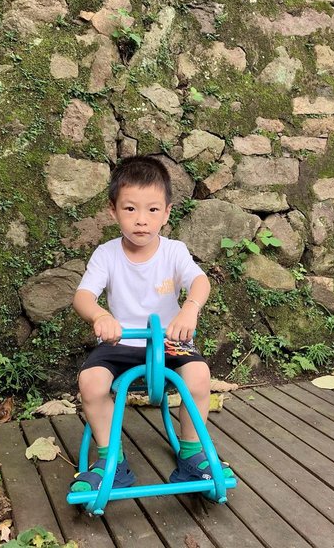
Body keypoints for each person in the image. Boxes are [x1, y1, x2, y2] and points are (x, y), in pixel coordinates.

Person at [70, 155, 233, 492]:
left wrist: (189, 309)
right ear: (113, 210)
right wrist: (101, 316)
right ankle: (111, 460)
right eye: (130, 209)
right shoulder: (106, 254)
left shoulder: (174, 251)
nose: (141, 220)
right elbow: (83, 296)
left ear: (167, 213)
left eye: (153, 210)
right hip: (121, 343)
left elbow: (199, 281)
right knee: (91, 382)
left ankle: (192, 453)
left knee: (199, 376)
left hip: (169, 343)